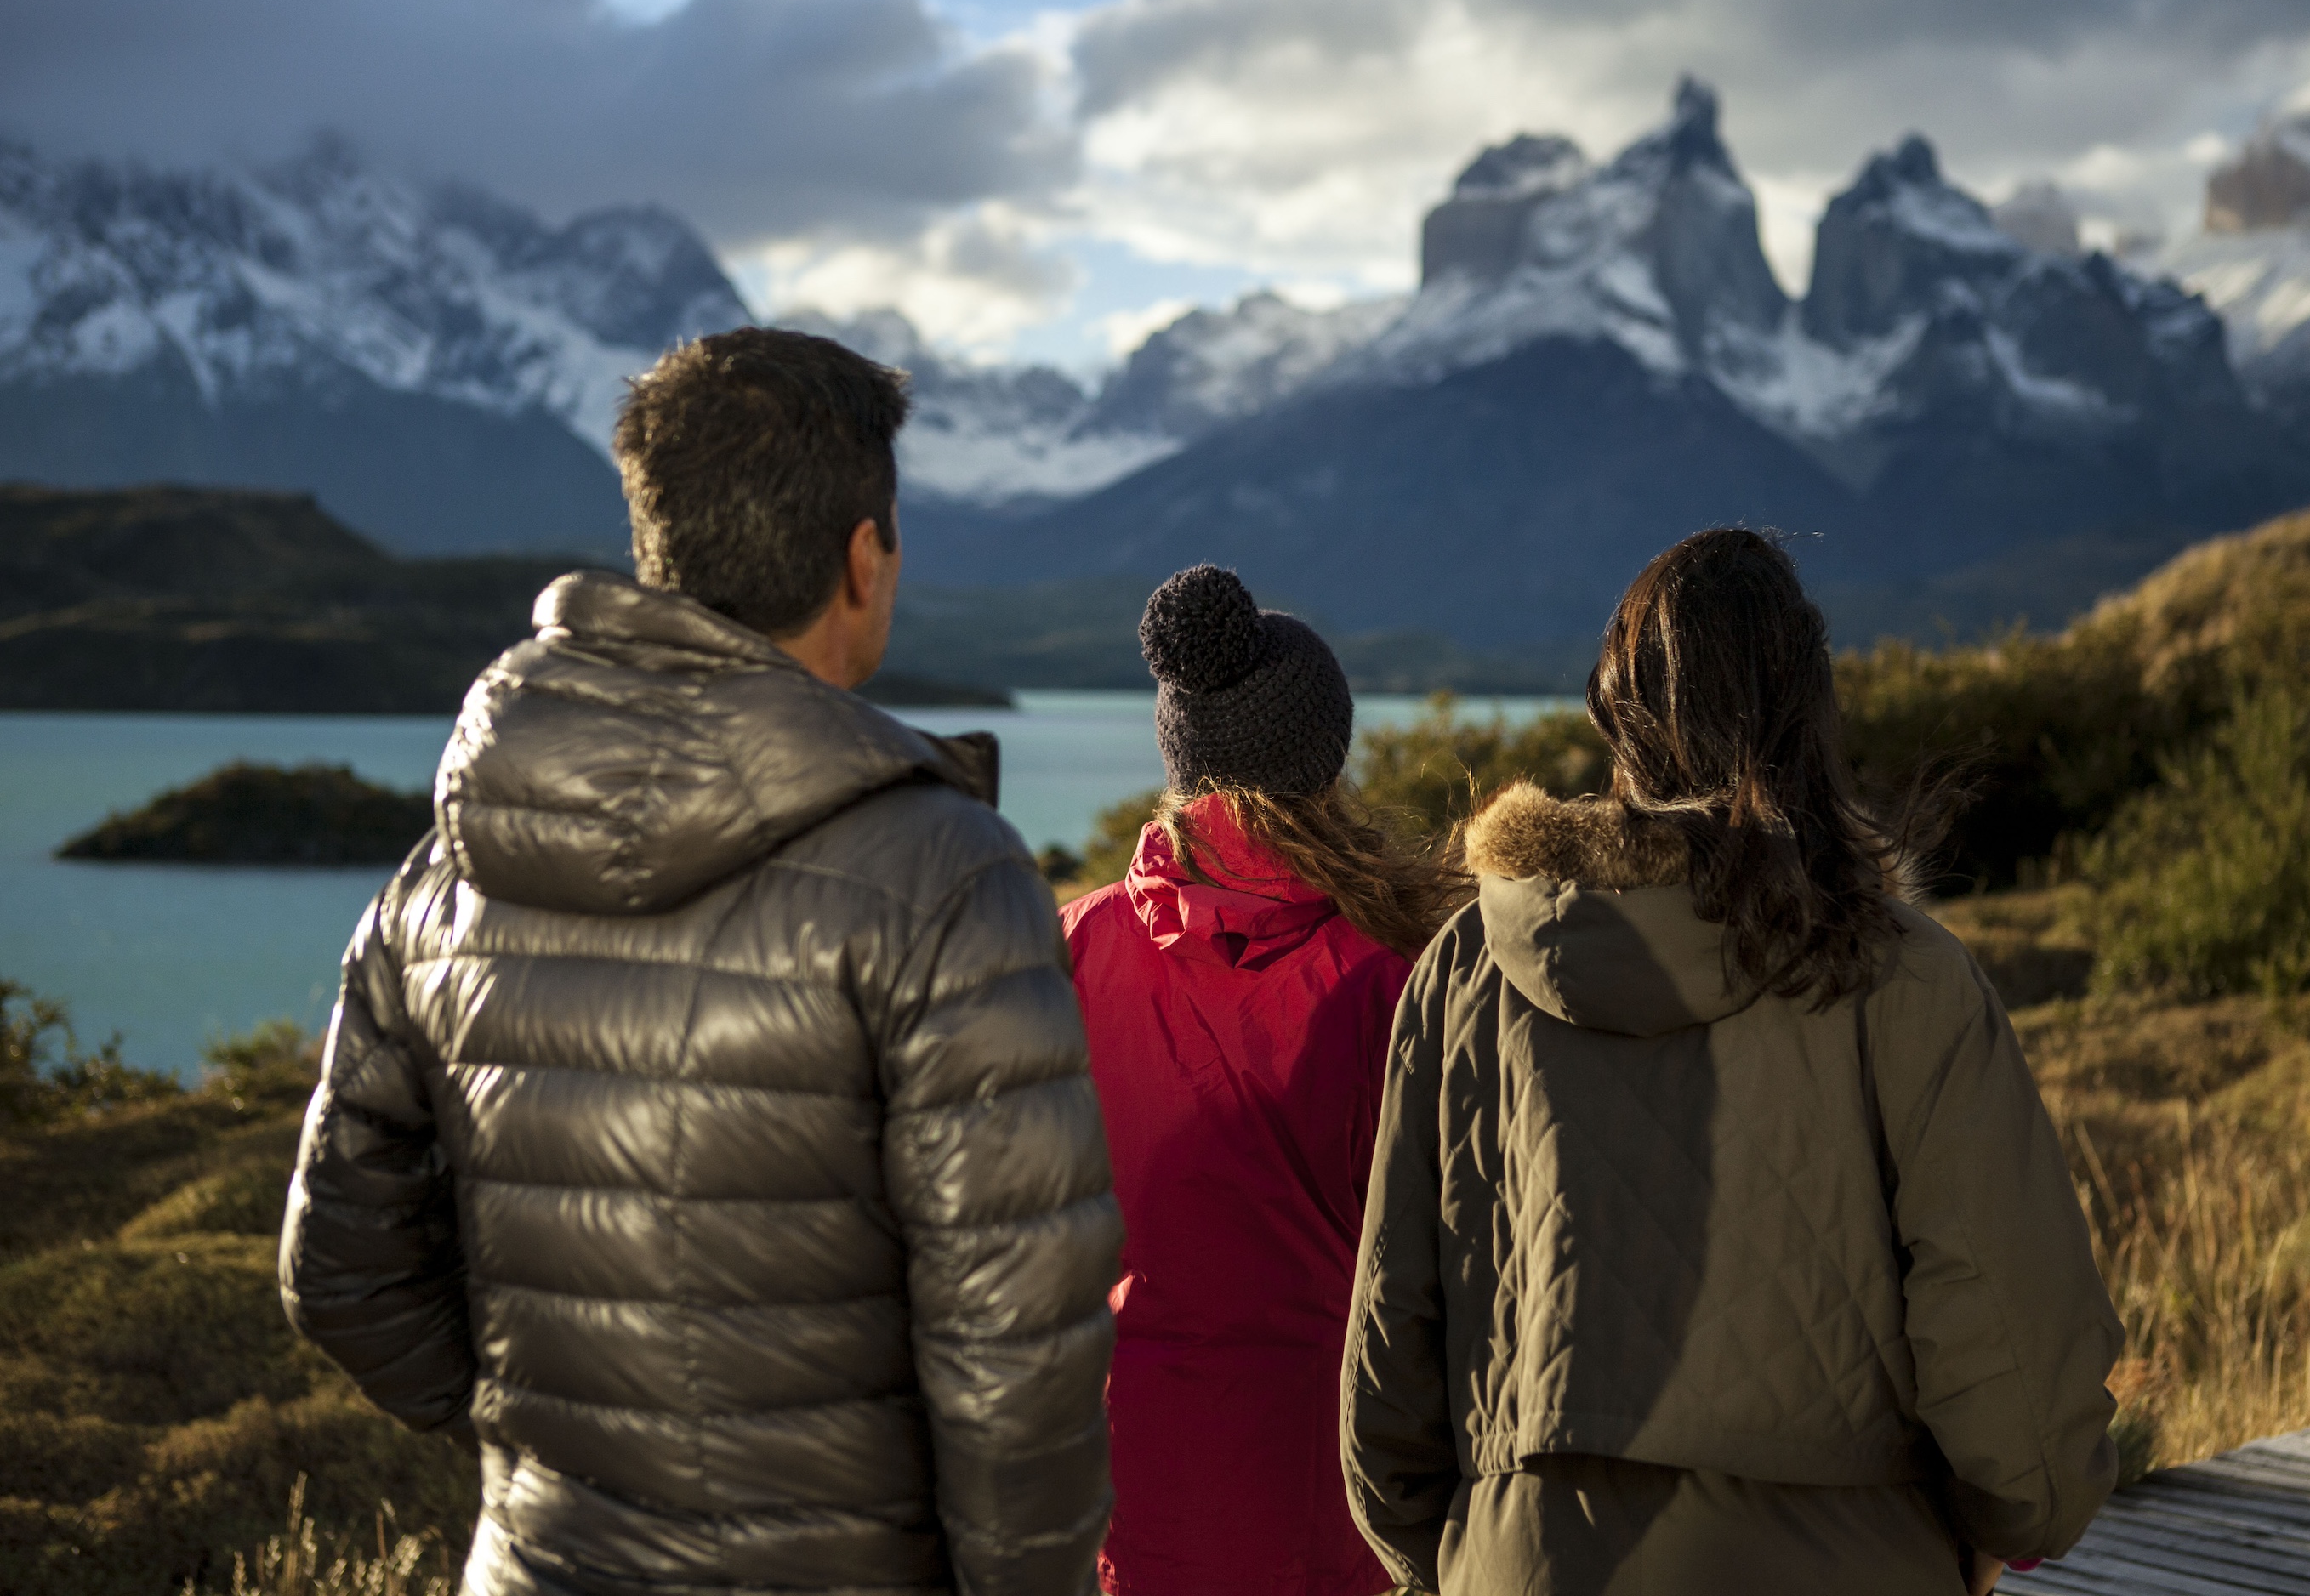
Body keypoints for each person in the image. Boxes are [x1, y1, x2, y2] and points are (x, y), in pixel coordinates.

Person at [278, 327, 1123, 1596]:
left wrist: (549, 1442)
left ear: (659, 545)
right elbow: (1018, 1359)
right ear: (863, 556)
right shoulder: (946, 875)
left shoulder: (440, 877)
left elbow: (338, 1275)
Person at [1340, 528, 2123, 1596]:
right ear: (1806, 708)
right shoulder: (1903, 975)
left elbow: (1396, 1326)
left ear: (1617, 712)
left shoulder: (1463, 969)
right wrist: (2008, 1521)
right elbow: (2002, 1321)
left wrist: (1457, 1555)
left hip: (1528, 1559)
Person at [1061, 565, 1460, 1596]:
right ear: (1323, 753)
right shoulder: (1397, 969)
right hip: (1340, 1483)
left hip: (1128, 1472)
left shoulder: (1070, 948)